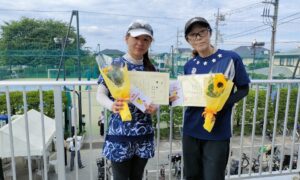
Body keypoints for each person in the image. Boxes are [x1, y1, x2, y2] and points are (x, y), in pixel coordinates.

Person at [181, 17, 250, 180]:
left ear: (210, 33)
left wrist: (221, 104)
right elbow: (188, 94)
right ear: (188, 40)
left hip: (217, 132)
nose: (198, 37)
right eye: (193, 35)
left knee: (213, 176)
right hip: (191, 130)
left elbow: (244, 88)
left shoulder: (230, 58)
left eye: (202, 32)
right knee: (191, 175)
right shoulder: (189, 65)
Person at [96, 19, 157, 180]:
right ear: (126, 39)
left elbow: (156, 98)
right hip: (120, 134)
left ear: (150, 42)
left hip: (144, 133)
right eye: (136, 38)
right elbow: (100, 94)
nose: (140, 43)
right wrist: (112, 105)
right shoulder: (116, 65)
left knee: (137, 177)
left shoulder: (151, 68)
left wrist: (155, 107)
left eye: (145, 39)